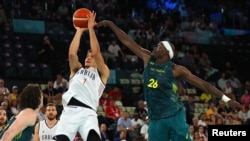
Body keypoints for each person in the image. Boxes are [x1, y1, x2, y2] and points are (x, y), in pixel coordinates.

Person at [97, 20, 242, 141]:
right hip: (155, 119)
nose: (155, 46)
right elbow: (127, 42)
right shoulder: (147, 58)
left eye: (159, 46)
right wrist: (110, 24)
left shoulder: (176, 69)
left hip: (174, 116)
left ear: (166, 52)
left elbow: (203, 84)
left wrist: (227, 100)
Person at [53, 11, 110, 141]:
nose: (88, 58)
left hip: (88, 113)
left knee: (94, 139)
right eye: (86, 56)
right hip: (70, 111)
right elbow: (72, 54)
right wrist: (79, 31)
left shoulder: (103, 73)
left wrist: (90, 29)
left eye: (91, 57)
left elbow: (96, 52)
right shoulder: (77, 69)